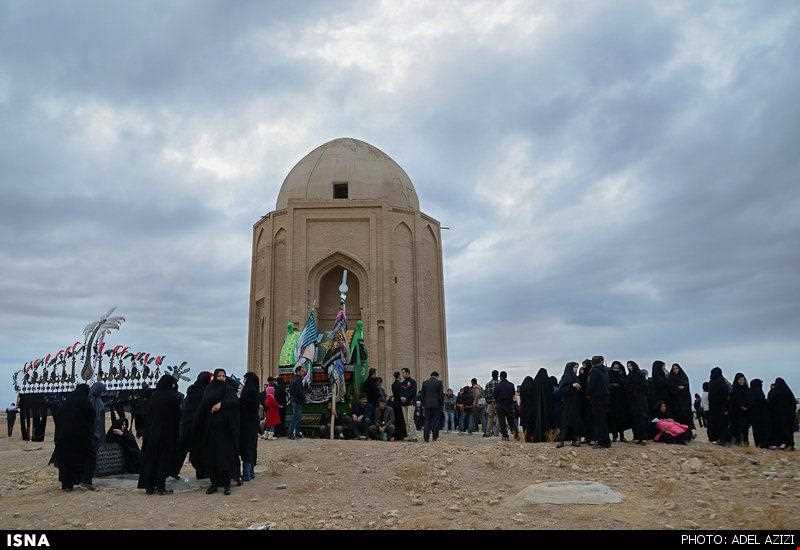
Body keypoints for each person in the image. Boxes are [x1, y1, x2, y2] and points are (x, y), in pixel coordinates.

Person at [195, 368, 239, 495]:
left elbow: (234, 402)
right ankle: (214, 484)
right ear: (215, 377)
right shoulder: (209, 389)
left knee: (225, 457)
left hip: (225, 429)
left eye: (223, 376)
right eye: (219, 376)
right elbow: (204, 404)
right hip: (211, 428)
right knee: (212, 457)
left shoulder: (228, 389)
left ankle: (226, 485)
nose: (221, 378)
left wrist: (221, 404)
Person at [138, 375, 181, 495]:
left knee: (151, 459)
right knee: (164, 459)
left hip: (152, 433)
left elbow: (148, 415)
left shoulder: (154, 396)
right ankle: (161, 486)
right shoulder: (173, 397)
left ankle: (149, 487)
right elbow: (177, 416)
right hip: (167, 433)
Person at [52, 384, 94, 491]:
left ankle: (67, 485)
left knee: (67, 460)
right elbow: (91, 416)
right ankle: (85, 481)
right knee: (88, 456)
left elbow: (58, 417)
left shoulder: (66, 402)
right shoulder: (85, 402)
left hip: (64, 437)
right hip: (81, 437)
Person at [174, 371, 211, 479]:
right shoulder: (204, 392)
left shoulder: (191, 391)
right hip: (197, 426)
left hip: (186, 425)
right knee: (199, 451)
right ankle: (202, 473)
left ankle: (173, 471)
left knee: (181, 451)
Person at [82, 381, 107, 489]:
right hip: (92, 432)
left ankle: (88, 477)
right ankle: (86, 480)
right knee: (90, 456)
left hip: (97, 430)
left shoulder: (97, 400)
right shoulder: (90, 401)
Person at [239, 372, 260, 481]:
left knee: (246, 448)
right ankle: (251, 473)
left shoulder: (247, 392)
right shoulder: (255, 391)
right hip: (254, 424)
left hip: (246, 424)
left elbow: (242, 406)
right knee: (252, 447)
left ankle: (247, 474)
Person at [521, 369, 552, 443]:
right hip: (546, 408)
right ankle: (546, 437)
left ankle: (534, 436)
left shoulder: (535, 383)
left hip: (535, 408)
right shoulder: (547, 382)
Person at [556, 362, 582, 447]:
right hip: (567, 404)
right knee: (565, 422)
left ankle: (575, 439)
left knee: (575, 422)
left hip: (575, 403)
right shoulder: (565, 377)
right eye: (575, 367)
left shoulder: (576, 378)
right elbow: (561, 390)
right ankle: (561, 440)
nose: (576, 369)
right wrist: (572, 385)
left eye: (577, 368)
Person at [587, 356, 611, 448]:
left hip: (597, 398)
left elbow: (591, 385)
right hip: (605, 398)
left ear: (593, 363)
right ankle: (606, 441)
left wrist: (588, 393)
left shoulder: (594, 371)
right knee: (603, 420)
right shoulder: (605, 371)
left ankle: (602, 442)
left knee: (599, 421)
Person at [767, 378, 797, 450]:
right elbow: (793, 404)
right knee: (787, 430)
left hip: (778, 416)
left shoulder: (774, 392)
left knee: (781, 430)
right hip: (787, 416)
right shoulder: (788, 392)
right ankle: (788, 444)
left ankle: (783, 444)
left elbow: (770, 403)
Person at [625, 361, 650, 444]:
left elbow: (645, 386)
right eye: (628, 366)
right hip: (632, 401)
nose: (629, 367)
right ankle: (637, 436)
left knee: (641, 418)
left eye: (630, 366)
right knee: (634, 419)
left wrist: (636, 390)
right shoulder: (629, 376)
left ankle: (643, 437)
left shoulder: (640, 374)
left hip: (640, 400)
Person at [667, 363, 695, 434]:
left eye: (676, 368)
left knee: (685, 418)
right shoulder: (671, 378)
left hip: (684, 403)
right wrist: (677, 388)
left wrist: (678, 388)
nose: (675, 370)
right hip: (674, 403)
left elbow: (685, 388)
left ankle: (688, 433)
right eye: (673, 369)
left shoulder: (684, 377)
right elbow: (671, 389)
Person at [708, 367, 731, 445]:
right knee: (722, 424)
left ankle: (716, 438)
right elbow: (727, 394)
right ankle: (722, 439)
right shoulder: (723, 381)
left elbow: (711, 396)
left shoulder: (712, 382)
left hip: (715, 407)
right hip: (722, 406)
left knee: (716, 423)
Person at [608, 361, 629, 442]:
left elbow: (625, 384)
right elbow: (607, 384)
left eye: (617, 368)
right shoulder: (609, 374)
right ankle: (614, 436)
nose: (616, 369)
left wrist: (620, 378)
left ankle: (622, 436)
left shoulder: (622, 374)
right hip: (612, 400)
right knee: (613, 419)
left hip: (621, 400)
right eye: (614, 368)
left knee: (621, 419)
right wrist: (612, 385)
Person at [421, 371, 444, 442]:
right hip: (436, 405)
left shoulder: (425, 383)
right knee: (435, 420)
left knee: (427, 420)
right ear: (437, 376)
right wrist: (441, 404)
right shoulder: (439, 383)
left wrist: (424, 404)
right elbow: (440, 395)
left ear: (431, 376)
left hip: (427, 405)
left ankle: (426, 437)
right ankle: (435, 436)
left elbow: (422, 395)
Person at [728, 373, 751, 446]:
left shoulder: (747, 389)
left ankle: (745, 442)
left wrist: (747, 407)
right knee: (737, 427)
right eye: (740, 380)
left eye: (743, 380)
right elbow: (732, 401)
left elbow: (750, 400)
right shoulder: (734, 389)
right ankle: (738, 441)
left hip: (745, 413)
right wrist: (740, 406)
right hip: (736, 412)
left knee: (745, 428)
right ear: (737, 380)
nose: (742, 381)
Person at [494, 371, 518, 441]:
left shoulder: (498, 385)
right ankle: (516, 435)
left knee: (502, 421)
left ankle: (505, 436)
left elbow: (495, 396)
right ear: (506, 376)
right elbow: (513, 395)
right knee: (511, 421)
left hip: (500, 405)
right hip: (509, 405)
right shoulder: (511, 385)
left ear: (500, 377)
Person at [749, 379, 771, 449]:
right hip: (761, 416)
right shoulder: (758, 392)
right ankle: (763, 444)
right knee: (762, 430)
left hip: (754, 416)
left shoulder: (751, 392)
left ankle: (759, 444)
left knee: (756, 430)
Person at [399, 368, 418, 442]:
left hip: (411, 403)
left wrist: (406, 398)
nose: (402, 374)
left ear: (407, 373)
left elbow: (413, 392)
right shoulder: (402, 383)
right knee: (406, 420)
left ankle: (414, 436)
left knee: (410, 419)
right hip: (403, 404)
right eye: (402, 373)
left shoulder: (413, 382)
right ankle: (409, 435)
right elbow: (401, 392)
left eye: (403, 373)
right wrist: (401, 397)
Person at [288, 365, 306, 440]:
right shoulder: (298, 380)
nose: (304, 372)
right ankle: (291, 433)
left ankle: (297, 433)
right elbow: (299, 392)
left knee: (297, 417)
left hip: (294, 400)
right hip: (297, 401)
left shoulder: (293, 379)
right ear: (298, 371)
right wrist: (303, 397)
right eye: (302, 371)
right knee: (296, 417)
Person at [579, 359, 593, 443]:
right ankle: (587, 437)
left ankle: (591, 437)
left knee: (590, 418)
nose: (583, 367)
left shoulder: (591, 374)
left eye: (584, 365)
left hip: (589, 399)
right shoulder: (583, 375)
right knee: (585, 419)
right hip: (583, 400)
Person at [483, 371, 499, 437]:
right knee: (498, 418)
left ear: (492, 375)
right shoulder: (499, 383)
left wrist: (488, 401)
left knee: (490, 419)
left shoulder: (488, 384)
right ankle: (496, 433)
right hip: (498, 403)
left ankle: (488, 433)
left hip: (490, 403)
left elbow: (485, 394)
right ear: (497, 375)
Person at [391, 371, 406, 441]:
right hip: (400, 403)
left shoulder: (393, 384)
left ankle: (396, 435)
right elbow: (401, 394)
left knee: (396, 419)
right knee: (400, 419)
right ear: (399, 376)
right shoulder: (401, 384)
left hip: (395, 403)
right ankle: (401, 435)